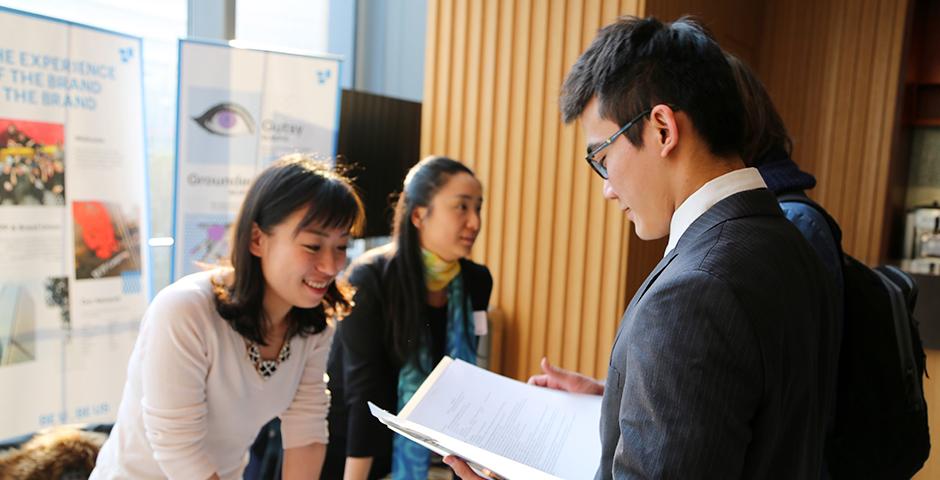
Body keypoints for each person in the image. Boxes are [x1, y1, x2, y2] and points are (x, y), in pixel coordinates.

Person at [447, 16, 838, 480]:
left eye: (603, 157)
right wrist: (620, 401)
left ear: (663, 129)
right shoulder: (786, 238)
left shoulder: (692, 292)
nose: (608, 189)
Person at [90, 154, 365, 480]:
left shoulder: (313, 321)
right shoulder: (185, 310)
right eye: (312, 246)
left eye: (341, 247)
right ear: (257, 239)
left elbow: (306, 425)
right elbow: (177, 446)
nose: (331, 266)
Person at [323, 156, 492, 479]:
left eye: (478, 208)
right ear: (418, 215)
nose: (474, 222)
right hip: (356, 452)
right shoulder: (369, 278)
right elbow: (364, 392)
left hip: (436, 455)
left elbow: (465, 379)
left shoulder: (476, 280)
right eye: (461, 207)